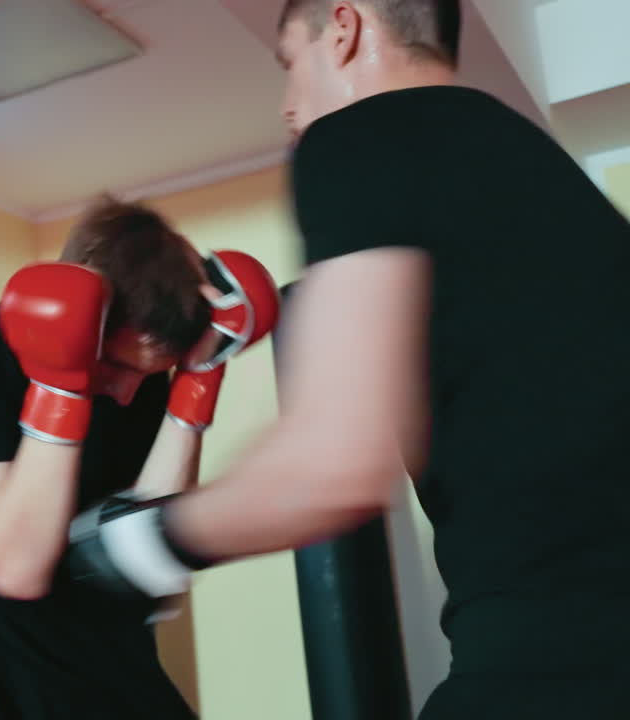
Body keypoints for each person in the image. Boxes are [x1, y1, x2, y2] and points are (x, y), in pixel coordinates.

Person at [65, 0, 630, 717]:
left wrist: (133, 542)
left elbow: (335, 465)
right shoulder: (524, 157)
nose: (287, 106)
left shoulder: (359, 137)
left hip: (563, 658)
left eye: (289, 64)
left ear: (344, 27)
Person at [0, 195, 279, 719]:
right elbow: (16, 570)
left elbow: (153, 568)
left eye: (147, 374)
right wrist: (64, 388)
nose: (126, 394)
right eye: (117, 368)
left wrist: (199, 379)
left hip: (110, 663)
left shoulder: (139, 380)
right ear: (88, 315)